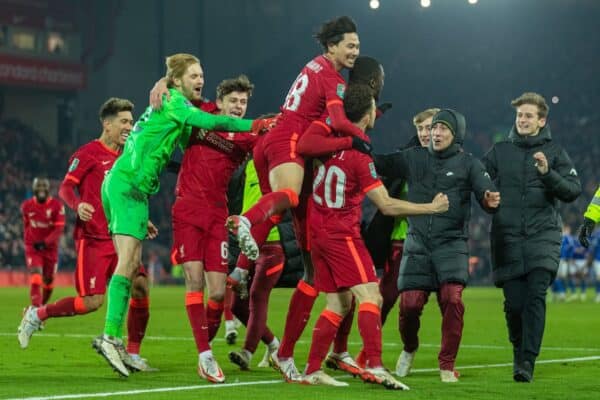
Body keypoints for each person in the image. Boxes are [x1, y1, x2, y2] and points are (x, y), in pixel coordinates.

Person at [92, 53, 271, 378]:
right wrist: (255, 123)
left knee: (133, 268)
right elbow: (216, 122)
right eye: (193, 76)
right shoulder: (178, 104)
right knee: (128, 261)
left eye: (201, 75)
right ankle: (110, 336)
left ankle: (119, 342)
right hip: (129, 184)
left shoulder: (172, 100)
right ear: (177, 81)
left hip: (127, 184)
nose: (200, 80)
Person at [301, 84, 449, 389]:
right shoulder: (359, 155)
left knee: (338, 304)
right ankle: (377, 365)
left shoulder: (326, 144)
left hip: (317, 231)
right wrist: (430, 207)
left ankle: (313, 369)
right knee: (372, 296)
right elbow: (387, 204)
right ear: (368, 114)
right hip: (341, 234)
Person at [260, 55, 386, 381]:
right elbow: (308, 142)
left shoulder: (343, 102)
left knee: (343, 289)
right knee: (315, 277)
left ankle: (336, 352)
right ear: (374, 84)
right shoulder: (340, 108)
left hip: (326, 205)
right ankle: (286, 352)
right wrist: (351, 141)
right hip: (314, 204)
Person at [17, 98, 156, 370]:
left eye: (131, 121)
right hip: (92, 239)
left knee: (140, 287)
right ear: (107, 124)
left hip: (121, 237)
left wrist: (143, 219)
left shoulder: (128, 155)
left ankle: (132, 352)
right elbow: (66, 188)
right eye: (124, 121)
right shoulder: (88, 153)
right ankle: (38, 313)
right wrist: (77, 204)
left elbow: (128, 195)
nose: (129, 126)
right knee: (92, 302)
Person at [374, 109, 500, 382]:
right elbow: (380, 163)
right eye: (434, 129)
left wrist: (489, 200)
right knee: (408, 305)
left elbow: (484, 191)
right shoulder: (413, 157)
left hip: (451, 244)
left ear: (456, 134)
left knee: (452, 299)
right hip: (417, 242)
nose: (436, 134)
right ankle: (409, 347)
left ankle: (446, 364)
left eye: (443, 129)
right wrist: (355, 147)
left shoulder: (469, 163)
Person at [482, 92, 581, 382]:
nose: (522, 120)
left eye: (528, 116)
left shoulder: (555, 153)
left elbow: (572, 191)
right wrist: (485, 197)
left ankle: (527, 360)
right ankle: (518, 351)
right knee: (514, 303)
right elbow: (478, 180)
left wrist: (547, 173)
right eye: (519, 115)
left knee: (535, 296)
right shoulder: (500, 151)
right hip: (507, 237)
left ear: (541, 120)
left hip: (543, 236)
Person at [170, 74, 258, 383]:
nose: (238, 107)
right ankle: (205, 356)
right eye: (232, 101)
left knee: (218, 293)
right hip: (188, 208)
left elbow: (281, 132)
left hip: (217, 213)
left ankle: (204, 351)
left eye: (243, 102)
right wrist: (159, 85)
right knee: (194, 282)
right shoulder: (201, 111)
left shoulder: (248, 137)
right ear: (218, 102)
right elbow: (172, 93)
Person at [357, 107, 439, 370]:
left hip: (435, 244)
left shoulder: (454, 161)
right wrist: (355, 141)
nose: (425, 133)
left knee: (425, 304)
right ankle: (368, 354)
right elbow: (380, 162)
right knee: (386, 297)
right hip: (399, 241)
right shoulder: (406, 158)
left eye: (430, 127)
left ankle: (426, 353)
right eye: (421, 128)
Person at [228, 159, 284, 371]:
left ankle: (247, 352)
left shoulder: (282, 166)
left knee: (257, 296)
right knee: (236, 306)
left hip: (273, 244)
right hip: (246, 244)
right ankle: (273, 344)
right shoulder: (248, 166)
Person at [19, 178, 65, 308]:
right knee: (35, 274)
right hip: (33, 247)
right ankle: (35, 309)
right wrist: (29, 241)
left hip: (50, 249)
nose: (41, 189)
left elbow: (59, 229)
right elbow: (26, 225)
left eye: (44, 186)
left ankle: (41, 307)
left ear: (49, 188)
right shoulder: (26, 206)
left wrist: (45, 242)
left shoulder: (57, 206)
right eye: (38, 186)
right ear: (33, 188)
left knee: (49, 280)